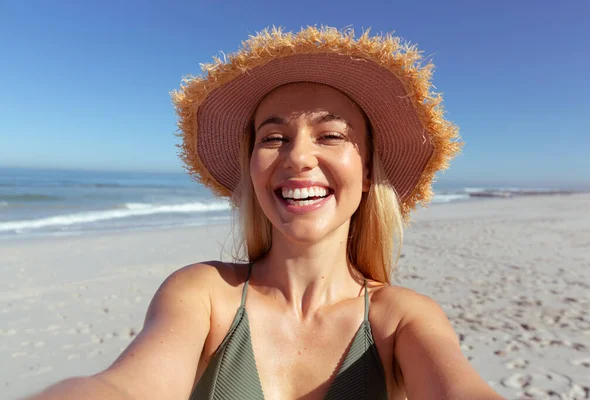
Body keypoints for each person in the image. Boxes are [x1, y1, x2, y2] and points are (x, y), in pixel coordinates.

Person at [30, 26, 503, 399]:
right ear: (252, 168)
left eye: (331, 135)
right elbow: (126, 387)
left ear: (366, 169)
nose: (297, 157)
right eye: (273, 138)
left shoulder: (400, 319)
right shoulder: (204, 295)